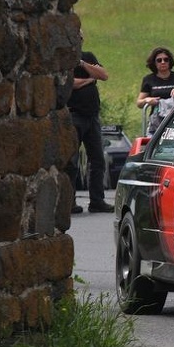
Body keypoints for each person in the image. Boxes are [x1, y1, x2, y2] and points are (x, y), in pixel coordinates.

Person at [66, 35, 113, 214]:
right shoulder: (64, 60)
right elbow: (70, 83)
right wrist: (89, 79)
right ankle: (70, 202)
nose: (78, 40)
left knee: (97, 160)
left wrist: (83, 64)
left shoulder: (88, 57)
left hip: (92, 116)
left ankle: (97, 200)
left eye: (80, 37)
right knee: (71, 161)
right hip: (74, 115)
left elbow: (103, 75)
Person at [136, 47, 174, 134]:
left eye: (166, 60)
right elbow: (139, 103)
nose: (163, 62)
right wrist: (147, 100)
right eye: (159, 60)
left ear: (170, 61)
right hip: (156, 121)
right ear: (154, 63)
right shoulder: (148, 79)